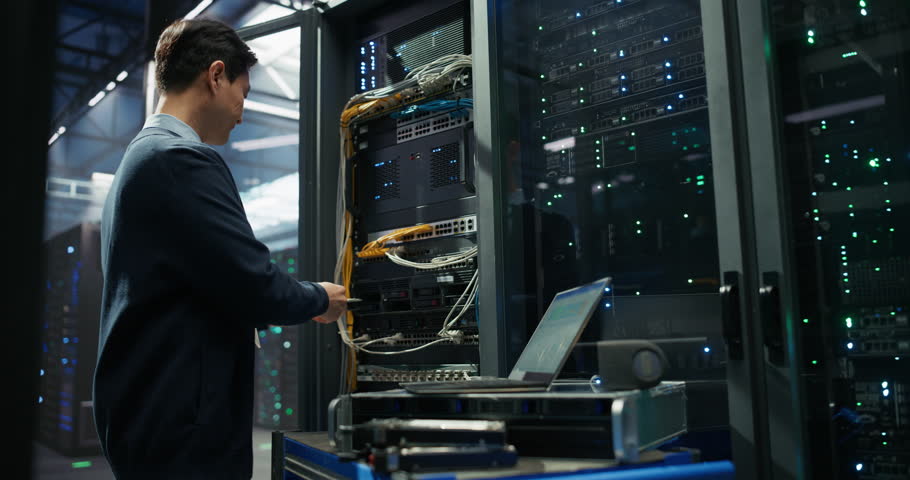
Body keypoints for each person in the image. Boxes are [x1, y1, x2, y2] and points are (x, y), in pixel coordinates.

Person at [93, 19, 347, 479]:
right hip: (179, 426)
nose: (242, 111)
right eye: (243, 93)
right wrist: (320, 298)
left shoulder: (141, 158)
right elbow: (250, 280)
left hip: (149, 414)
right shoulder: (179, 159)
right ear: (214, 76)